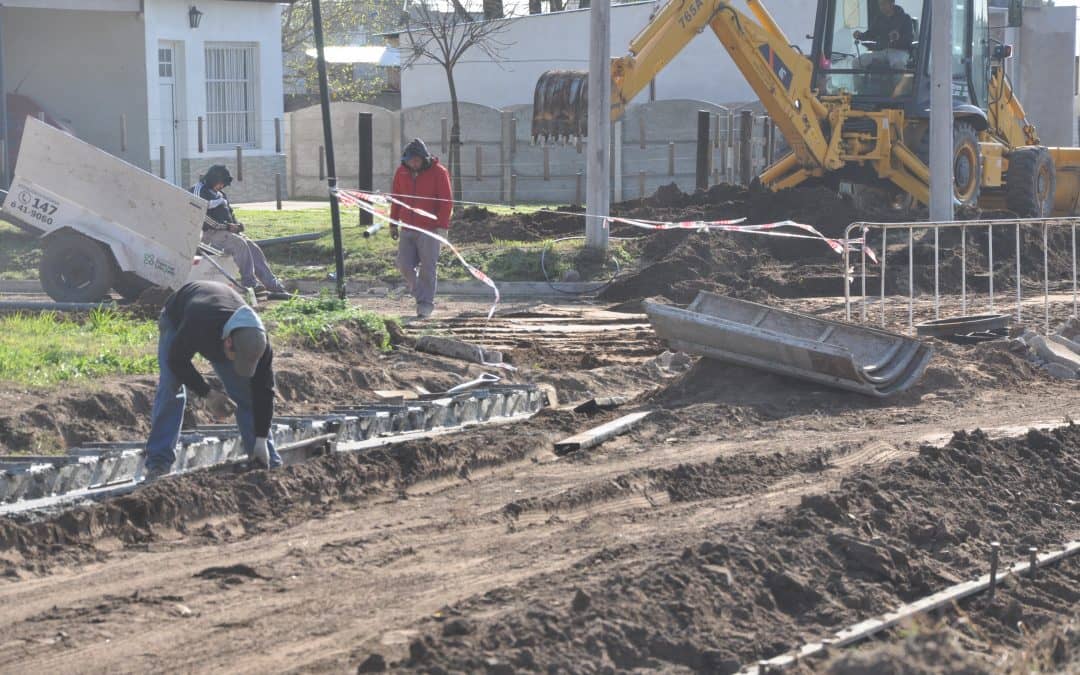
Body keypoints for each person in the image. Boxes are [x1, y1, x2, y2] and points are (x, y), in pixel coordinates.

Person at [142, 280, 283, 481]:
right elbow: (177, 361)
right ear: (228, 343)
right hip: (178, 317)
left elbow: (264, 392)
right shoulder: (198, 322)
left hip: (220, 326)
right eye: (236, 359)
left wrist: (261, 438)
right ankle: (158, 463)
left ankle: (263, 460)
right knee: (171, 387)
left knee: (246, 394)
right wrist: (207, 393)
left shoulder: (257, 342)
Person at [193, 165, 290, 299]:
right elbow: (199, 214)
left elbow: (229, 213)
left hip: (225, 233)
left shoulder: (221, 194)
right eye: (221, 183)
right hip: (208, 234)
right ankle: (250, 283)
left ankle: (272, 284)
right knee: (239, 244)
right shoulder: (198, 190)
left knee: (252, 247)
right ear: (213, 179)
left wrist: (237, 225)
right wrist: (226, 227)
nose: (222, 187)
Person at [389, 138, 453, 319]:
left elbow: (446, 202)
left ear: (424, 158)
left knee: (428, 267)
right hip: (407, 227)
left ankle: (425, 304)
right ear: (406, 160)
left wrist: (442, 226)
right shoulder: (401, 172)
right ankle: (421, 295)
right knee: (403, 264)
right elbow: (396, 199)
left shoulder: (439, 172)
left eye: (417, 160)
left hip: (430, 230)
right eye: (411, 160)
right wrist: (393, 223)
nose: (414, 163)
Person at [854, 0, 914, 71]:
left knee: (898, 64)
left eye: (884, 4)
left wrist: (898, 38)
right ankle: (860, 82)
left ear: (892, 3)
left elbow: (909, 40)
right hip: (881, 51)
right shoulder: (879, 19)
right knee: (857, 62)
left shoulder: (905, 18)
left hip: (900, 51)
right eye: (880, 4)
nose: (881, 7)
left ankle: (900, 82)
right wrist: (860, 35)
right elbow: (870, 34)